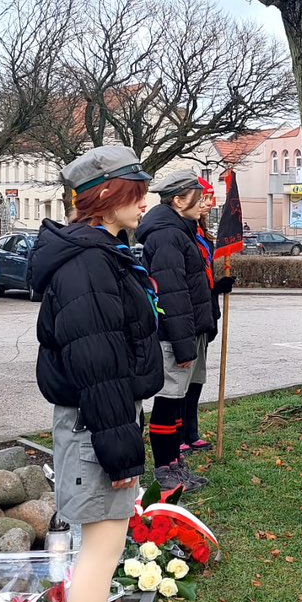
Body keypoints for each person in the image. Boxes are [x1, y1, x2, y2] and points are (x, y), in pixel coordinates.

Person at [28, 146, 165, 602]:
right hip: (97, 426)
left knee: (99, 551)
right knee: (100, 556)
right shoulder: (89, 264)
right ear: (106, 196)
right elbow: (98, 366)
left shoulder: (99, 253)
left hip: (99, 422)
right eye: (137, 191)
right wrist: (121, 452)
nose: (145, 200)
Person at [137, 170, 218, 491]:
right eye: (199, 198)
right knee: (168, 402)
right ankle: (165, 468)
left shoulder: (179, 230)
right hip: (173, 337)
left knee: (176, 401)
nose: (205, 204)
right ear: (179, 199)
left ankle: (174, 463)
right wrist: (184, 345)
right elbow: (172, 295)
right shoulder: (168, 235)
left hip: (186, 333)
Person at [177, 206, 235, 459]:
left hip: (205, 315)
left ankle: (191, 432)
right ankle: (177, 435)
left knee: (197, 379)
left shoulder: (201, 232)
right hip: (188, 318)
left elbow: (204, 277)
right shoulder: (182, 233)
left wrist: (216, 289)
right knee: (182, 381)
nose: (207, 204)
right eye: (202, 198)